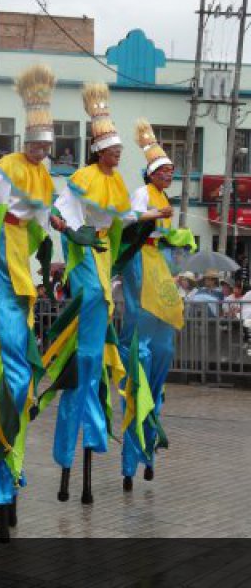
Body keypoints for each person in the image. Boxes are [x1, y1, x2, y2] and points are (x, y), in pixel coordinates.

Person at [0, 64, 64, 542]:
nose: (40, 152)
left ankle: (11, 446)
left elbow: (47, 220)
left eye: (46, 146)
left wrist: (56, 253)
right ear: (25, 140)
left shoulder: (44, 176)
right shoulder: (7, 167)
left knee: (21, 351)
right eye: (36, 144)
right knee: (8, 349)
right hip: (3, 251)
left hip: (25, 255)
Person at [41, 83, 136, 505]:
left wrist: (153, 220)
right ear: (99, 151)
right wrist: (64, 226)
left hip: (103, 254)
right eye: (113, 151)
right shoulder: (83, 179)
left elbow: (127, 218)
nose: (118, 156)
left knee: (97, 341)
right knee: (92, 298)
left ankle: (93, 366)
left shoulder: (117, 184)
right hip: (84, 257)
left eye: (120, 151)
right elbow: (61, 211)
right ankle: (79, 358)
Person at [118, 120, 194, 492]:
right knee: (142, 333)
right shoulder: (142, 193)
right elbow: (129, 221)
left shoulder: (163, 199)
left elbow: (161, 237)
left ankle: (156, 375)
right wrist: (154, 218)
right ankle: (136, 357)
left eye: (171, 171)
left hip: (157, 265)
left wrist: (177, 238)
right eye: (163, 170)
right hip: (138, 263)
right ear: (151, 173)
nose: (168, 175)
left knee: (165, 334)